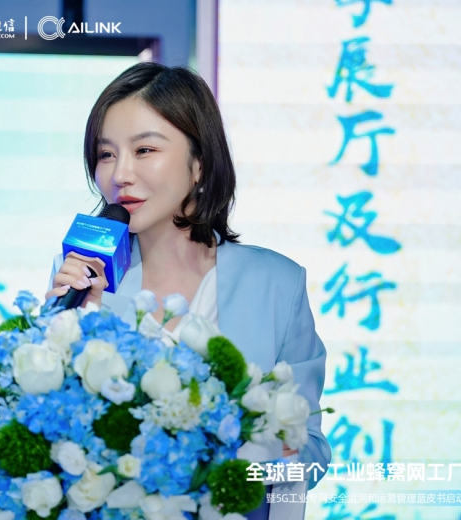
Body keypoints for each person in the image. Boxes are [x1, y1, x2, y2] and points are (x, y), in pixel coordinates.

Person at [45, 63, 331, 517]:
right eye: (105, 154)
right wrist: (67, 330)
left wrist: (230, 456)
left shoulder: (277, 283)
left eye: (144, 150)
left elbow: (310, 453)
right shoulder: (83, 279)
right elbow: (50, 436)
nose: (120, 174)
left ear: (199, 163)